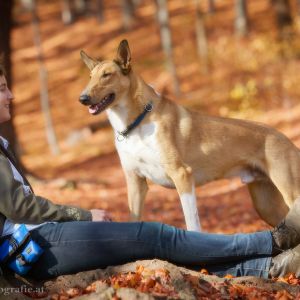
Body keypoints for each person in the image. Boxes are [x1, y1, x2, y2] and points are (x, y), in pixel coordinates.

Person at [0, 61, 300, 281]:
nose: (12, 95)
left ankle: (279, 257)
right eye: (3, 89)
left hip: (40, 238)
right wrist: (85, 215)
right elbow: (19, 208)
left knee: (158, 238)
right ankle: (273, 245)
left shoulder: (2, 143)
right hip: (30, 247)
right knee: (157, 237)